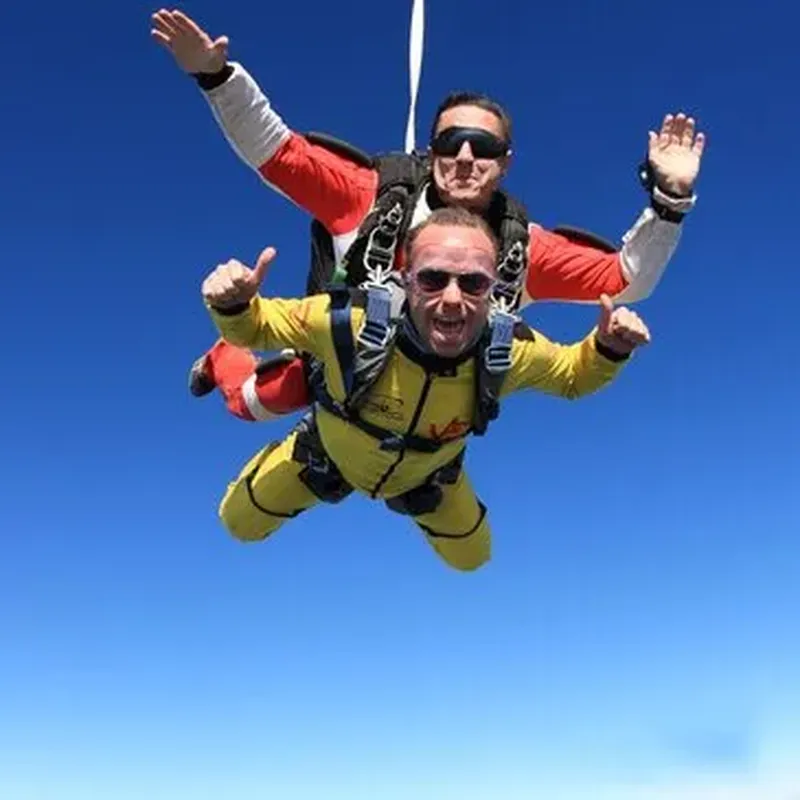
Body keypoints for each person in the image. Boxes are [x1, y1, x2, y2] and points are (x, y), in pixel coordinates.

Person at [150, 8, 701, 422]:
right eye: (451, 142)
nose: (465, 157)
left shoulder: (521, 251)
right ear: (431, 151)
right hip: (344, 353)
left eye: (484, 147)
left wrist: (670, 201)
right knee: (256, 402)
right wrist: (217, 77)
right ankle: (225, 356)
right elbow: (277, 152)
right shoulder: (370, 196)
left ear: (505, 163)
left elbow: (626, 280)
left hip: (434, 390)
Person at [203, 208, 651, 570]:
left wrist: (607, 349)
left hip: (427, 475)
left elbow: (572, 376)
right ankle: (220, 360)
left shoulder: (507, 350)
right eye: (433, 279)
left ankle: (412, 489)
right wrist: (233, 305)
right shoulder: (347, 322)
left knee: (472, 558)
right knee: (237, 522)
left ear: (494, 291)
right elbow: (258, 326)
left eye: (473, 283)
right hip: (327, 454)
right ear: (405, 280)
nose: (453, 299)